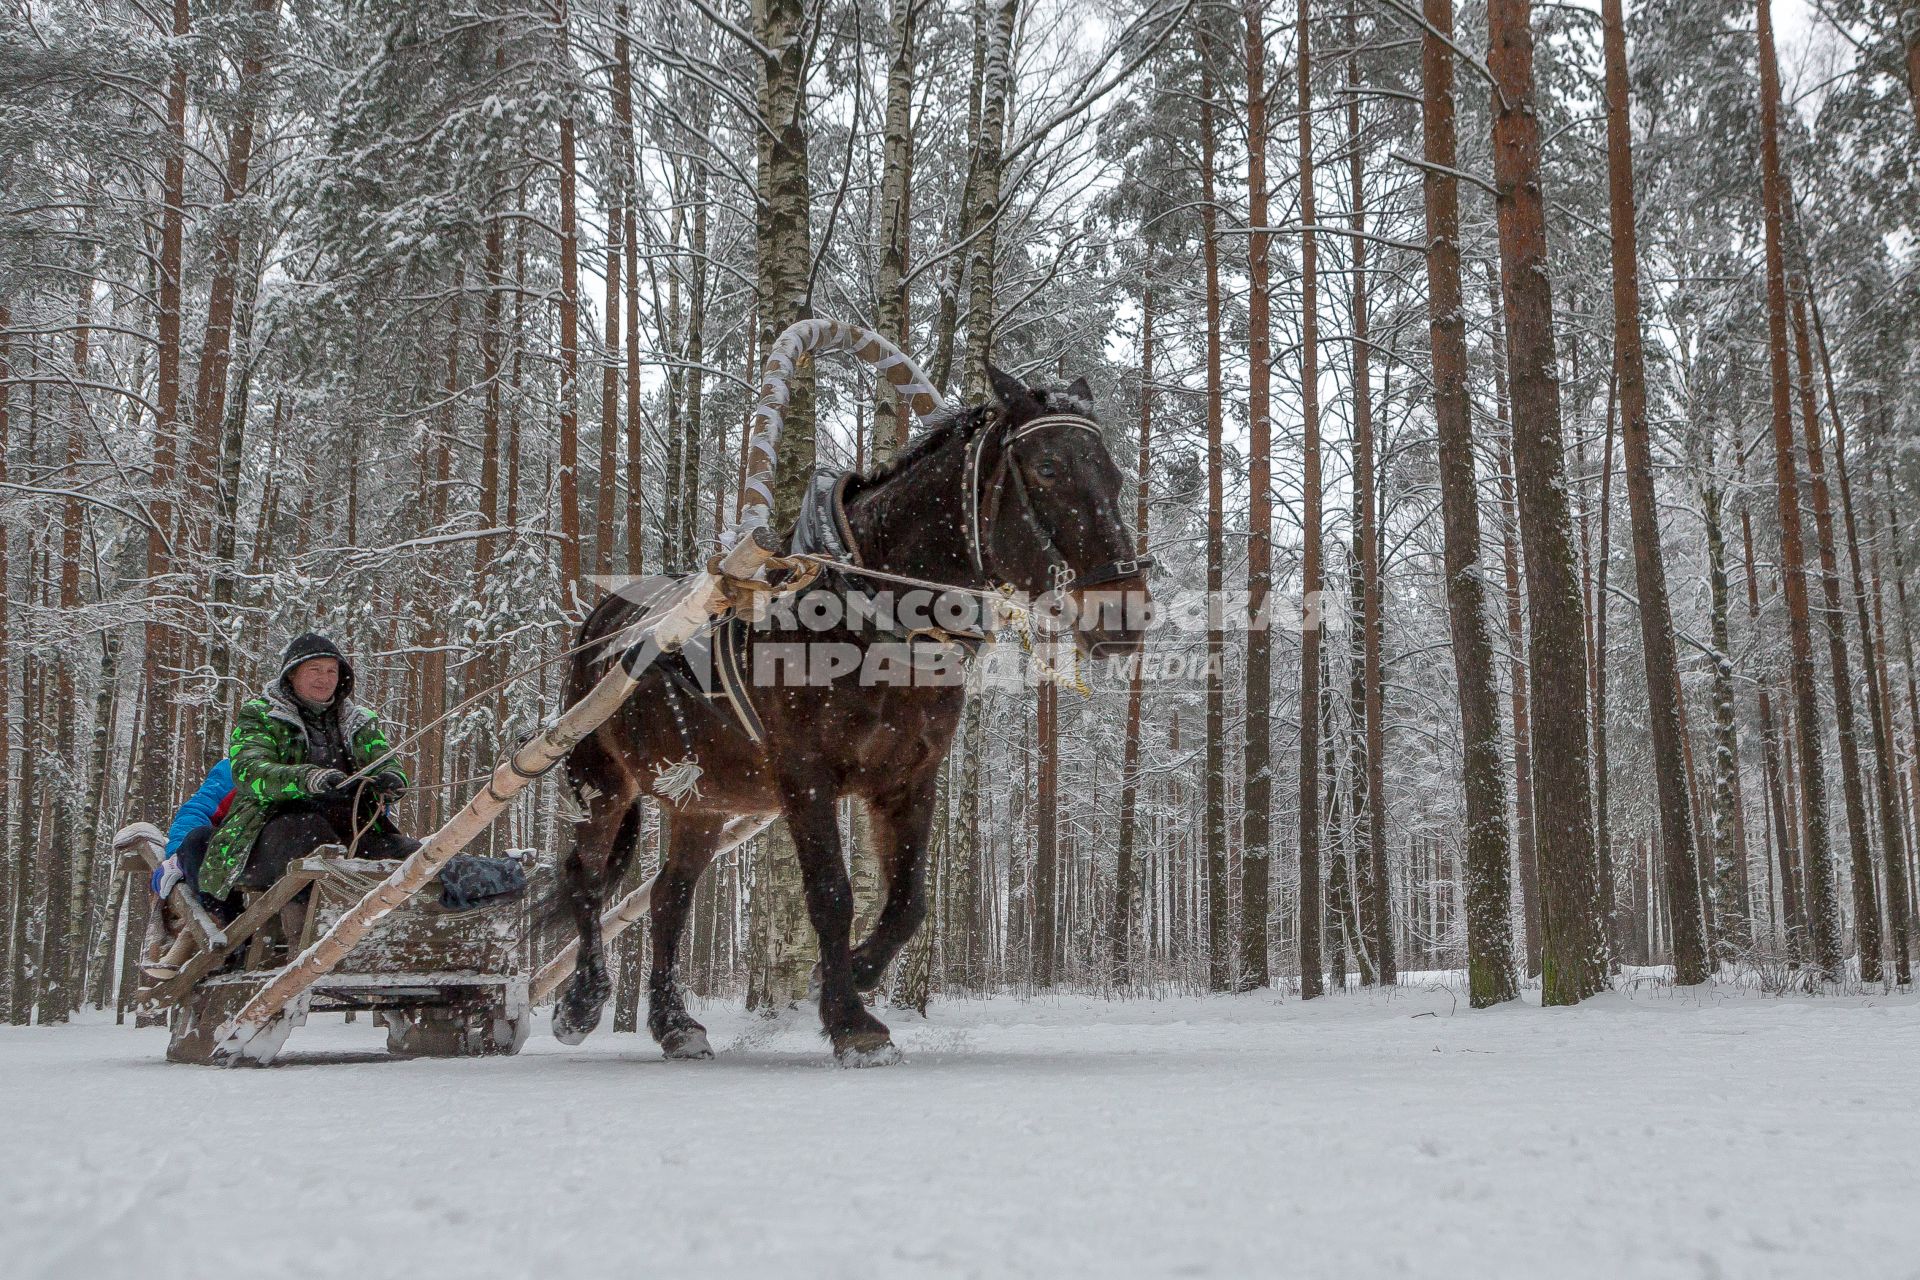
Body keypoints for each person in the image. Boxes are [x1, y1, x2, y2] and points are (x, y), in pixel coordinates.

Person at [198, 632, 418, 906]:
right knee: (312, 841)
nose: (324, 678)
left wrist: (391, 780)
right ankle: (306, 936)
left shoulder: (358, 722)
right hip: (268, 831)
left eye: (331, 671)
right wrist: (308, 779)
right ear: (291, 674)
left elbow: (385, 760)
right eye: (314, 669)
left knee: (418, 859)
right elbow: (249, 771)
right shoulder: (261, 716)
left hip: (353, 829)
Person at [139, 758, 235, 978]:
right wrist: (180, 853)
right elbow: (200, 810)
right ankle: (203, 928)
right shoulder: (240, 763)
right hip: (232, 861)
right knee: (198, 842)